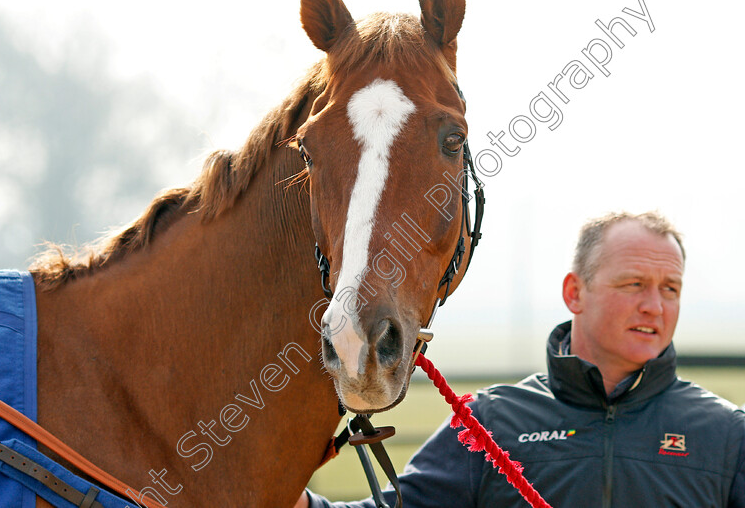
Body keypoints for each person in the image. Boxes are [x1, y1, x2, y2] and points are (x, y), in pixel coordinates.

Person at [296, 211, 745, 507]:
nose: (655, 305)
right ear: (575, 292)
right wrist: (289, 492)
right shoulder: (489, 422)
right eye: (633, 284)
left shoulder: (725, 433)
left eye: (671, 289)